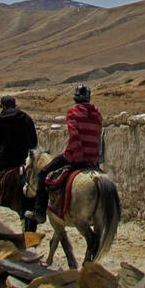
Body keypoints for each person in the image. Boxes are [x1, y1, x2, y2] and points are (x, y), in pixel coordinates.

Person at [26, 83, 102, 223]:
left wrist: (73, 156)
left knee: (43, 173)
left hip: (77, 157)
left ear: (75, 98)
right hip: (93, 159)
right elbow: (97, 137)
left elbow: (74, 137)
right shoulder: (97, 114)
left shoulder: (73, 113)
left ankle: (40, 212)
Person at [0, 95, 38, 206]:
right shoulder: (26, 118)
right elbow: (33, 142)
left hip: (4, 161)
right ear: (15, 105)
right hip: (23, 159)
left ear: (3, 106)